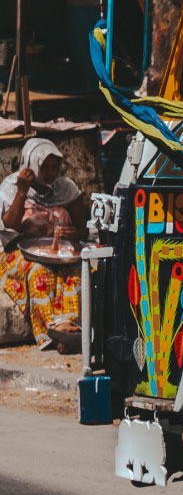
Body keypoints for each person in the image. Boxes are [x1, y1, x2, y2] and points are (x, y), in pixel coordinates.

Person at [0, 138, 84, 349]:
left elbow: (83, 228)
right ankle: (48, 334)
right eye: (44, 167)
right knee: (40, 273)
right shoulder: (11, 187)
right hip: (18, 252)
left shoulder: (66, 188)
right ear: (31, 165)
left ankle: (69, 330)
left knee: (74, 273)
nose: (50, 173)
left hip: (60, 253)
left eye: (55, 167)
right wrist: (22, 192)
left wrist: (75, 233)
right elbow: (10, 226)